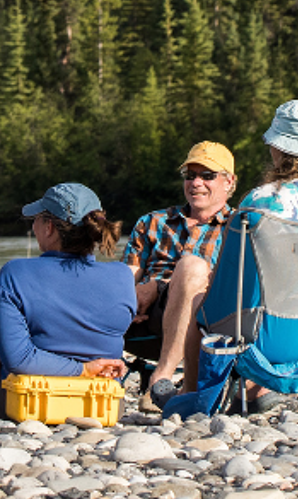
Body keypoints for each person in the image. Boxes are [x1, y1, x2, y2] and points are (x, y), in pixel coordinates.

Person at [158, 99, 298, 408]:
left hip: (258, 333)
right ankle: (257, 392)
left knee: (201, 301)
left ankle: (192, 396)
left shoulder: (261, 202)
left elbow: (232, 276)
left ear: (280, 148)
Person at [0, 183, 135, 422]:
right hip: (103, 407)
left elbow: (20, 360)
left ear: (49, 227)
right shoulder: (122, 276)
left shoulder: (15, 273)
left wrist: (82, 370)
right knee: (0, 351)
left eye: (37, 220)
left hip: (26, 407)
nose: (33, 226)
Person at [122, 140, 236, 406]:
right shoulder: (152, 222)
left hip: (208, 317)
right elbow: (128, 275)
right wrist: (127, 299)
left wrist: (160, 286)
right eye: (190, 175)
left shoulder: (239, 227)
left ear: (229, 182)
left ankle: (159, 381)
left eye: (207, 176)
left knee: (192, 267)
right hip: (149, 316)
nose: (196, 182)